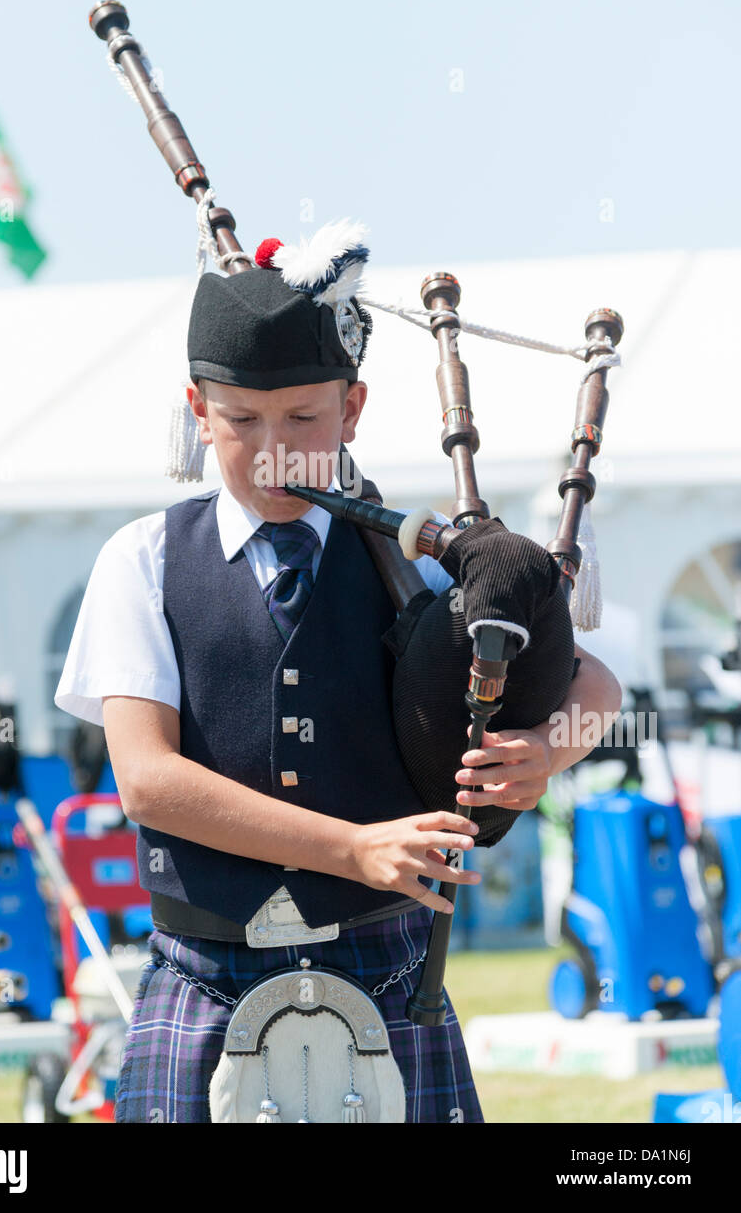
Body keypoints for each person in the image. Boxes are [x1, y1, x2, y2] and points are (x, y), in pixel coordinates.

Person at [54, 221, 622, 1123]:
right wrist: (351, 848)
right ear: (197, 411)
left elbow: (598, 687)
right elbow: (149, 781)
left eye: (303, 418)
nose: (271, 447)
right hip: (204, 980)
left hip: (388, 972)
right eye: (240, 421)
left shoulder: (421, 559)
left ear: (352, 410)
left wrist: (547, 751)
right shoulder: (145, 559)